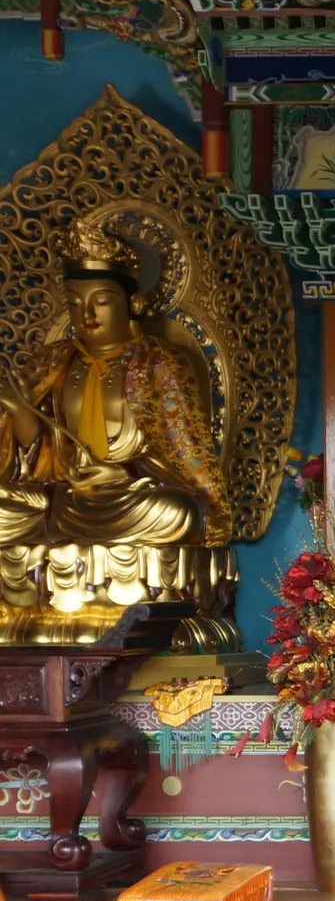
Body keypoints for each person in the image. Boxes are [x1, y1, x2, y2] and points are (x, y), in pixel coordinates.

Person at [0, 222, 228, 613]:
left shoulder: (159, 362)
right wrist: (21, 413)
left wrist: (124, 473)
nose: (86, 313)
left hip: (131, 497)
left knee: (178, 513)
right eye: (74, 302)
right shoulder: (54, 361)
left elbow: (181, 452)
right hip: (63, 498)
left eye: (101, 301)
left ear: (132, 302)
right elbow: (36, 461)